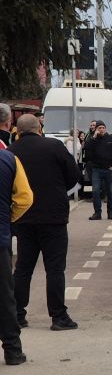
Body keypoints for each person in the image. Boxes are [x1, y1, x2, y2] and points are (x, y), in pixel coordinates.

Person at [10, 114, 81, 331]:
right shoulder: (55, 146)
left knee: (23, 267)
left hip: (23, 217)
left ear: (18, 131)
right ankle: (58, 317)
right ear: (39, 128)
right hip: (54, 216)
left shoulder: (11, 152)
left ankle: (17, 314)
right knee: (55, 268)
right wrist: (58, 189)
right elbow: (74, 175)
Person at [0, 136, 32, 363]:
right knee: (4, 296)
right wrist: (8, 220)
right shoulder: (8, 159)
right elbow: (25, 198)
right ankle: (12, 350)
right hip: (0, 239)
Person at [83, 120, 112, 220]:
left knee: (110, 192)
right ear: (96, 129)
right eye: (99, 128)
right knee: (95, 191)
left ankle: (110, 212)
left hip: (109, 169)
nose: (102, 129)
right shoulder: (93, 139)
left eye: (103, 127)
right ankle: (97, 213)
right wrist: (94, 137)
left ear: (105, 128)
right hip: (96, 169)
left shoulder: (111, 138)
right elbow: (87, 149)